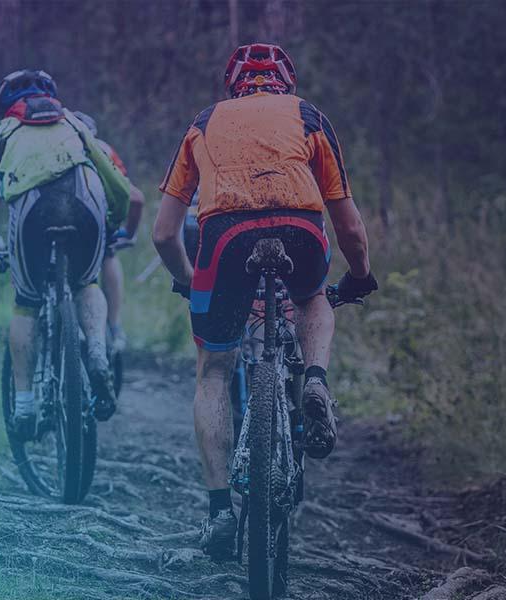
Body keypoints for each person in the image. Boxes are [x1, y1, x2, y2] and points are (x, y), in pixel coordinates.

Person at [152, 43, 377, 559]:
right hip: (301, 229)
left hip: (224, 237)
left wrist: (189, 281)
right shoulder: (308, 115)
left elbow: (165, 233)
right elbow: (347, 223)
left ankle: (219, 513)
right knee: (314, 297)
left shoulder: (203, 123)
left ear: (233, 84)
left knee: (213, 369)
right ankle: (315, 380)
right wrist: (360, 276)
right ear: (285, 82)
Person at [0, 69, 131, 438]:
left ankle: (24, 406)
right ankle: (97, 351)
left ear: (6, 105)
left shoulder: (2, 131)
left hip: (33, 208)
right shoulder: (73, 122)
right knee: (86, 282)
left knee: (27, 301)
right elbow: (116, 182)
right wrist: (113, 219)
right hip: (87, 201)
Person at [72, 111, 145, 351]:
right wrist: (128, 233)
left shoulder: (51, 148)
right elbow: (134, 198)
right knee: (108, 253)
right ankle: (114, 325)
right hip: (96, 224)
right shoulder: (102, 149)